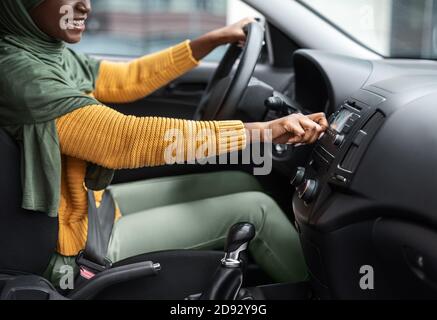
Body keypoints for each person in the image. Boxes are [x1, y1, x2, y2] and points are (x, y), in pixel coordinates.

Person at [0, 0, 328, 287]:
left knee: (240, 180)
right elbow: (120, 140)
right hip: (71, 249)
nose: (85, 5)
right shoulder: (20, 72)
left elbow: (127, 79)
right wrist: (261, 131)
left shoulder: (46, 53)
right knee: (257, 212)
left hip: (89, 210)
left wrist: (209, 41)